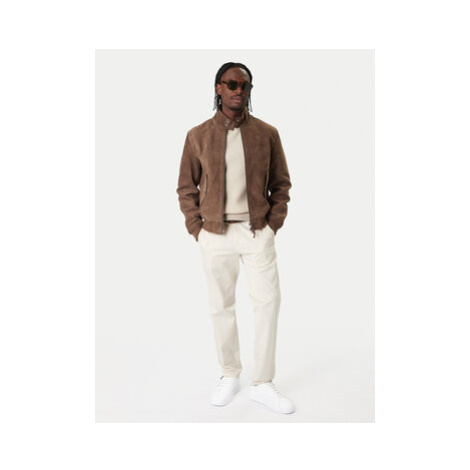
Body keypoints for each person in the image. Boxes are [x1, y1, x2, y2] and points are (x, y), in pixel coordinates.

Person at [176, 62, 295, 414]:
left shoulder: (267, 134)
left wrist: (272, 225)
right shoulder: (198, 135)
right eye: (231, 84)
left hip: (256, 232)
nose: (238, 91)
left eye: (244, 85)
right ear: (218, 88)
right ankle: (230, 373)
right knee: (221, 306)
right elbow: (186, 187)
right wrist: (197, 229)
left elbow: (281, 184)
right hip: (215, 234)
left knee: (268, 303)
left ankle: (263, 382)